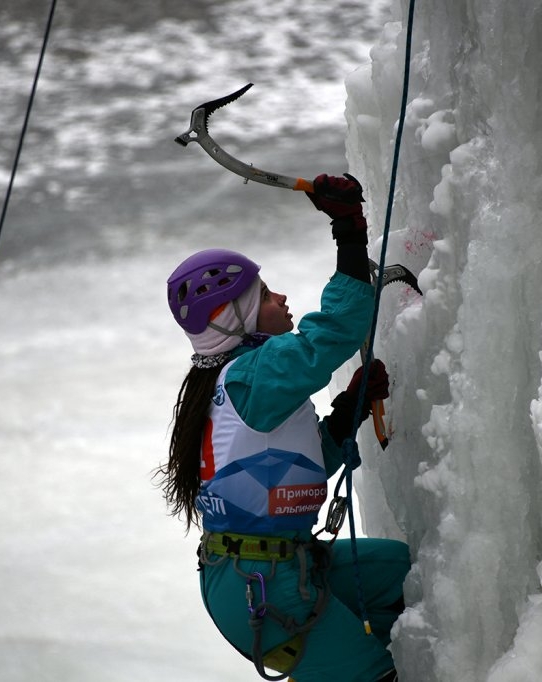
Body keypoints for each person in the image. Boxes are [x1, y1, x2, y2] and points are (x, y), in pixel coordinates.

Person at [157, 173, 410, 682]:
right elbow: (332, 334)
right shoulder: (254, 374)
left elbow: (283, 472)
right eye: (267, 295)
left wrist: (345, 413)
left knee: (401, 575)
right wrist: (349, 231)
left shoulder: (226, 382)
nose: (281, 298)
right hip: (267, 583)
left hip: (260, 573)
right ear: (236, 317)